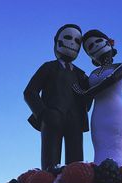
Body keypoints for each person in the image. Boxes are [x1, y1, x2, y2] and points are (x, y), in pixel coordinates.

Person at [24, 24, 91, 170]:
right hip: (52, 118)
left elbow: (87, 97)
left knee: (76, 163)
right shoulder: (49, 67)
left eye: (77, 41)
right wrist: (43, 113)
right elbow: (30, 92)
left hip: (76, 120)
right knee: (50, 164)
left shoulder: (81, 74)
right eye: (68, 37)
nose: (72, 43)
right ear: (57, 41)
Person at [73, 29, 122, 166]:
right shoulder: (92, 73)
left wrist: (87, 92)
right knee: (100, 149)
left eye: (98, 41)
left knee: (117, 148)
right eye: (90, 47)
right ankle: (101, 172)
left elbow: (112, 79)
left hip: (116, 113)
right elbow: (86, 103)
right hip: (98, 116)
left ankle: (121, 170)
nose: (96, 46)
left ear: (109, 43)